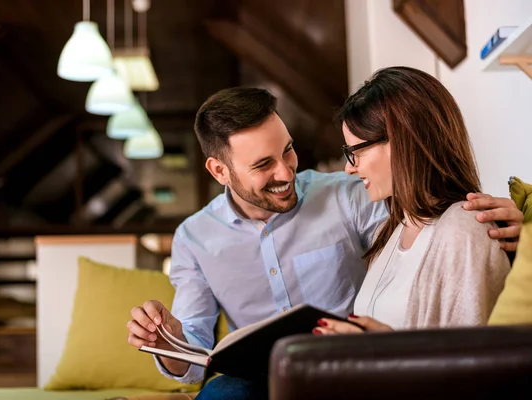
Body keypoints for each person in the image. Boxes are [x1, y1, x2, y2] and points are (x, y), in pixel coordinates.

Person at [127, 86, 523, 400]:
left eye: (287, 150)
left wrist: (524, 235)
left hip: (342, 364)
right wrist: (166, 340)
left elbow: (427, 217)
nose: (286, 171)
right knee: (222, 393)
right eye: (263, 165)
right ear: (220, 170)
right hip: (258, 377)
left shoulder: (348, 196)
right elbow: (192, 359)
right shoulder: (195, 238)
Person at [314, 66, 511, 336]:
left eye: (355, 152)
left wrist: (383, 352)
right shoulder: (392, 232)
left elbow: (471, 367)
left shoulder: (462, 231)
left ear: (400, 141)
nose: (349, 168)